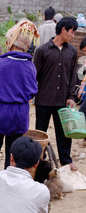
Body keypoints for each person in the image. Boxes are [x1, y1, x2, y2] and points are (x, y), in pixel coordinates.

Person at [0, 19, 39, 169]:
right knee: (12, 153)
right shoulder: (30, 67)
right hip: (18, 114)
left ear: (10, 42)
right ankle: (8, 184)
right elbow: (32, 92)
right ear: (27, 46)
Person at [34, 17, 79, 170]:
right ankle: (39, 158)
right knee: (40, 131)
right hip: (44, 99)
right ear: (63, 30)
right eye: (72, 32)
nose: (73, 35)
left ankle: (65, 160)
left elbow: (73, 76)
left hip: (63, 100)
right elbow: (35, 76)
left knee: (64, 133)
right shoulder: (42, 50)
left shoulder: (72, 52)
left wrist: (72, 96)